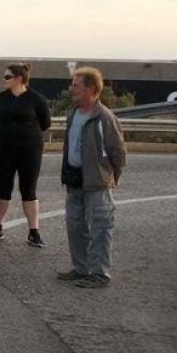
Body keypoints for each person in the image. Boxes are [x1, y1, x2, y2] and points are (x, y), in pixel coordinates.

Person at [58, 67, 126, 289]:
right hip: (75, 179)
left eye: (76, 86)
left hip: (97, 182)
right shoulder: (73, 113)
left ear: (91, 89)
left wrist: (109, 177)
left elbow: (118, 152)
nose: (72, 89)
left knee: (100, 227)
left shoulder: (104, 117)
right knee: (74, 225)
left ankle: (99, 273)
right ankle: (81, 269)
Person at [0, 63, 52, 246]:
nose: (3, 80)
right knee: (3, 187)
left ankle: (34, 231)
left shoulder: (36, 99)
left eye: (7, 77)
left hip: (29, 150)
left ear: (19, 79)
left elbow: (45, 123)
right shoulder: (0, 99)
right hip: (4, 148)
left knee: (28, 189)